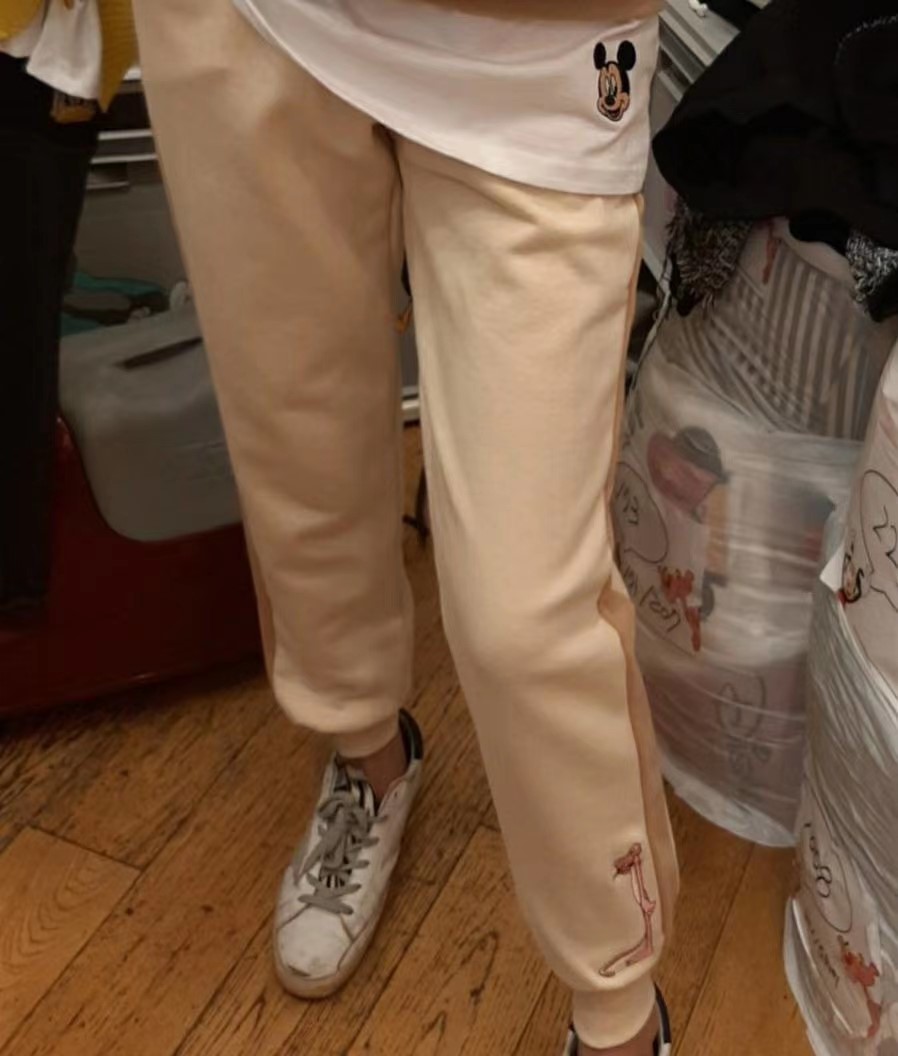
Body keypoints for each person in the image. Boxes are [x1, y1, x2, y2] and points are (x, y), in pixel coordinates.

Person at [131, 0, 680, 1051]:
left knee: (527, 615)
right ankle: (367, 755)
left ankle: (616, 999)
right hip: (257, 23)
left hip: (543, 48)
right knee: (299, 455)